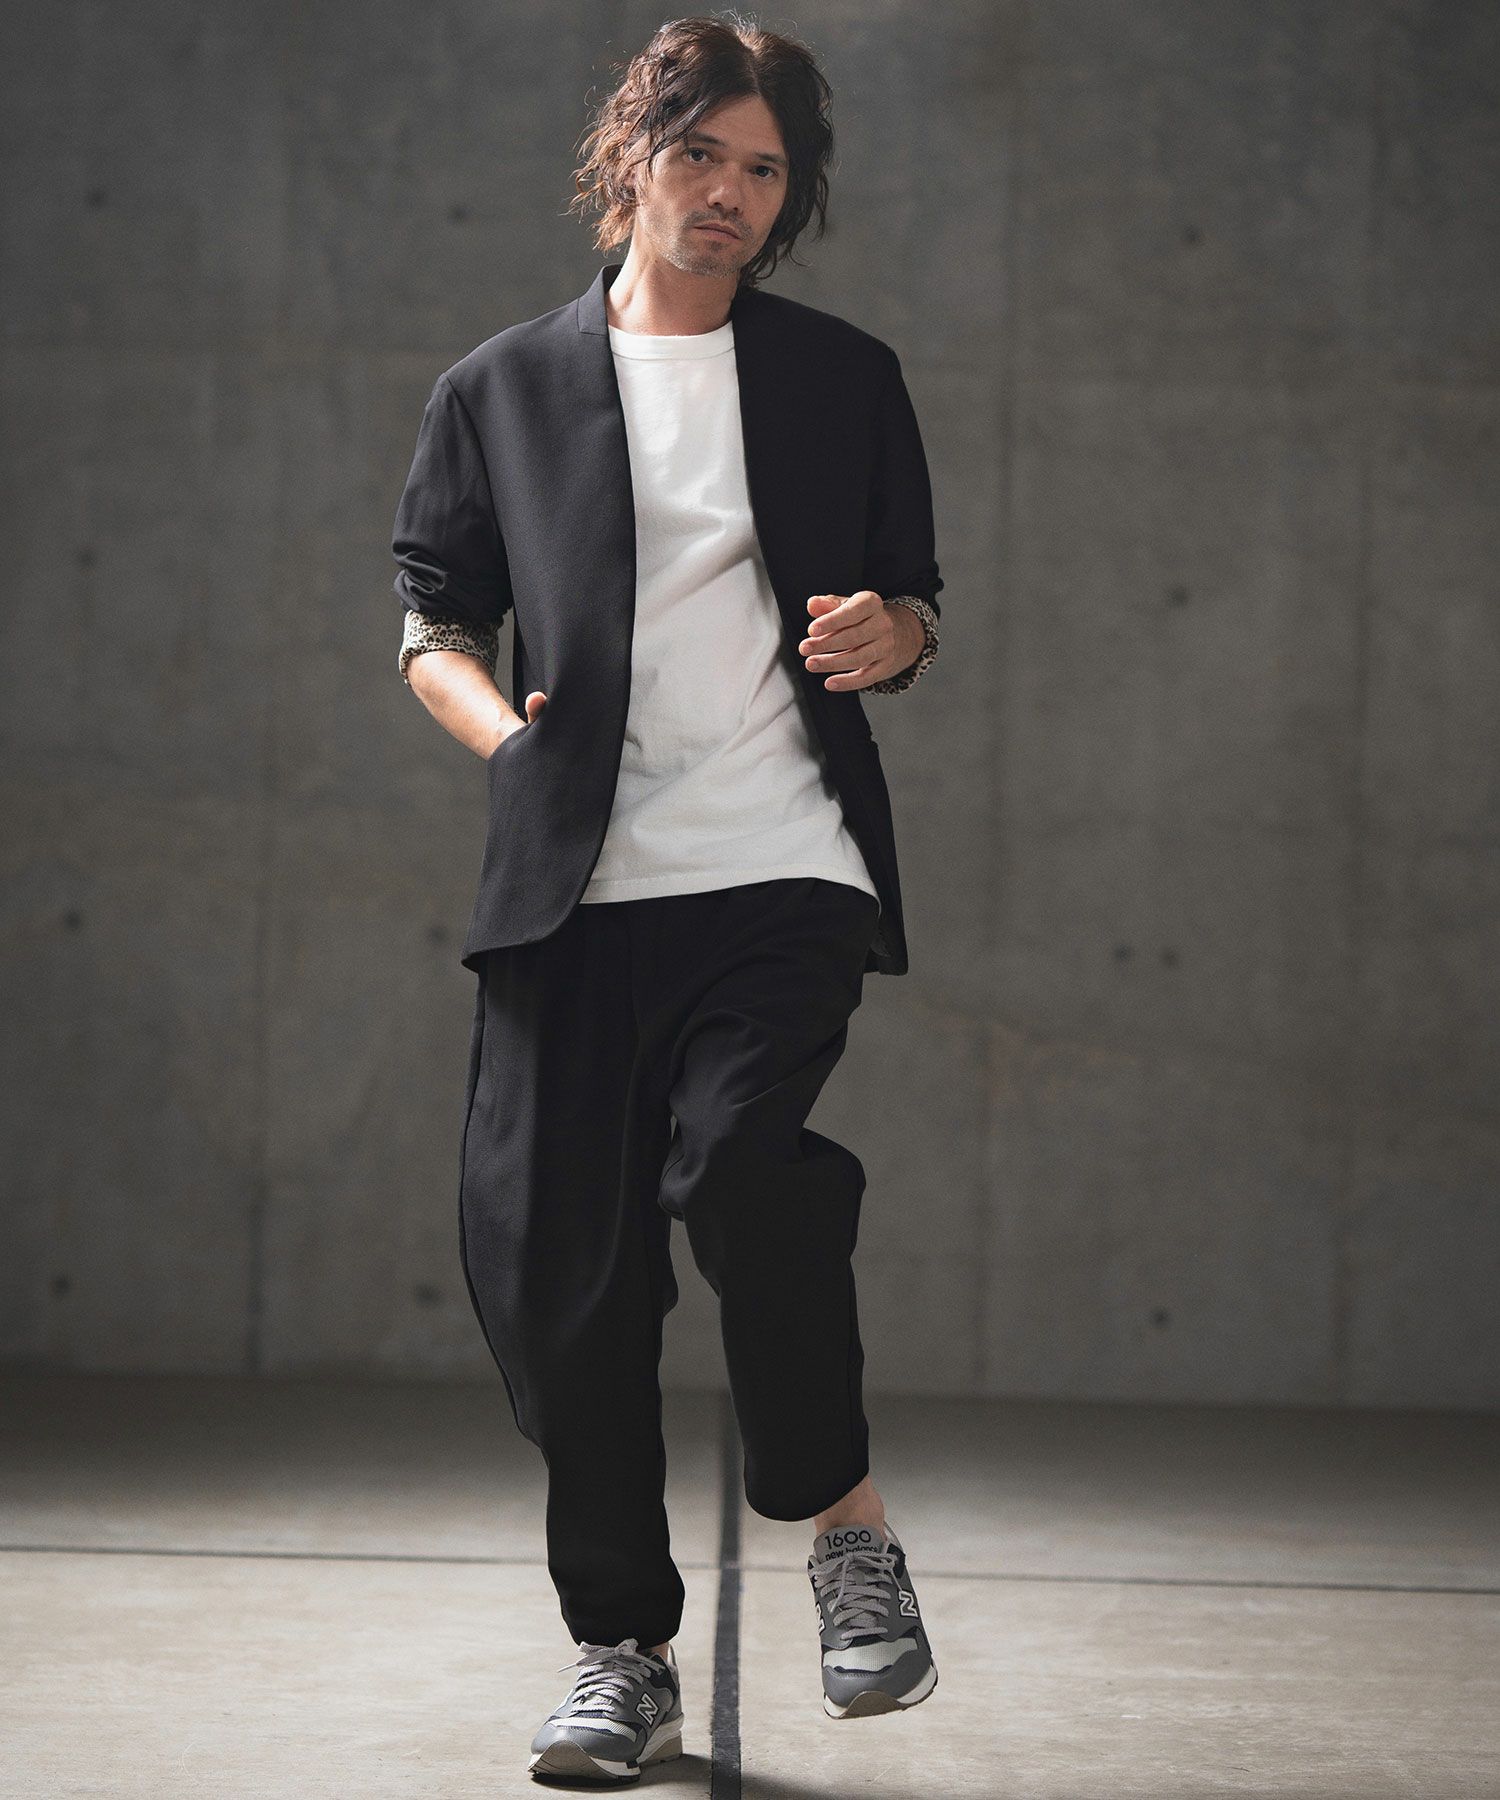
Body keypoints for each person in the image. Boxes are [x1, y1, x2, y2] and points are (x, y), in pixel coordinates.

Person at [391, 14, 942, 1783]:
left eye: (764, 170)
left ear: (790, 200)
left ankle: (846, 1529)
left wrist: (890, 633)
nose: (729, 193)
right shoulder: (498, 389)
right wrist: (510, 741)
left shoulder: (844, 378)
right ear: (633, 155)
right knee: (562, 1280)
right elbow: (433, 622)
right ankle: (619, 1653)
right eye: (701, 152)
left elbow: (914, 602)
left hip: (782, 862)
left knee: (742, 1167)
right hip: (576, 892)